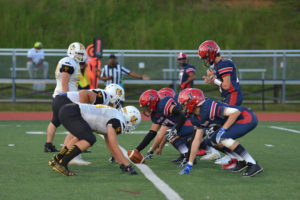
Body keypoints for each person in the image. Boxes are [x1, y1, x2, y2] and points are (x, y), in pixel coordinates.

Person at [178, 88, 263, 177]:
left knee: (222, 137)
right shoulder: (195, 117)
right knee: (210, 141)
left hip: (245, 117)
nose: (183, 107)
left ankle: (253, 164)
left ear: (192, 102)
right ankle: (241, 161)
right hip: (234, 121)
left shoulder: (207, 107)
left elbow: (235, 112)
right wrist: (190, 163)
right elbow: (197, 140)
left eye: (184, 104)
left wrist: (223, 129)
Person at [50, 103, 141, 176]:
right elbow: (114, 145)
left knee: (82, 137)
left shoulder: (114, 114)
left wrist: (121, 162)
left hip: (67, 109)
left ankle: (58, 159)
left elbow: (109, 142)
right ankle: (62, 164)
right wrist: (128, 165)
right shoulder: (118, 120)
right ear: (129, 119)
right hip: (73, 113)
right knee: (90, 139)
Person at [198, 40, 244, 168]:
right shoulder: (220, 64)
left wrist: (214, 79)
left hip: (233, 95)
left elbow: (226, 85)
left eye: (206, 57)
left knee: (224, 127)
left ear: (212, 54)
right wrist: (212, 81)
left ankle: (233, 156)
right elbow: (222, 84)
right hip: (230, 96)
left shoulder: (224, 64)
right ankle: (232, 155)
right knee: (223, 126)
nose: (206, 61)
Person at [44, 42, 85, 152]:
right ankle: (77, 145)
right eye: (78, 53)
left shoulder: (73, 62)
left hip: (62, 96)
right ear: (72, 52)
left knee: (55, 121)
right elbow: (65, 82)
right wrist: (67, 97)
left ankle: (48, 145)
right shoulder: (68, 62)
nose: (80, 56)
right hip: (64, 97)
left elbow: (70, 84)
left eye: (82, 53)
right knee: (78, 121)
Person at [137, 89, 194, 166]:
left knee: (171, 134)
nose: (146, 109)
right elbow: (151, 134)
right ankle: (187, 156)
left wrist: (176, 130)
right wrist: (138, 149)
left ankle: (188, 157)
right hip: (184, 123)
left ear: (153, 102)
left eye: (147, 106)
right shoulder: (155, 115)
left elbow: (182, 113)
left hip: (191, 121)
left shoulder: (162, 105)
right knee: (170, 134)